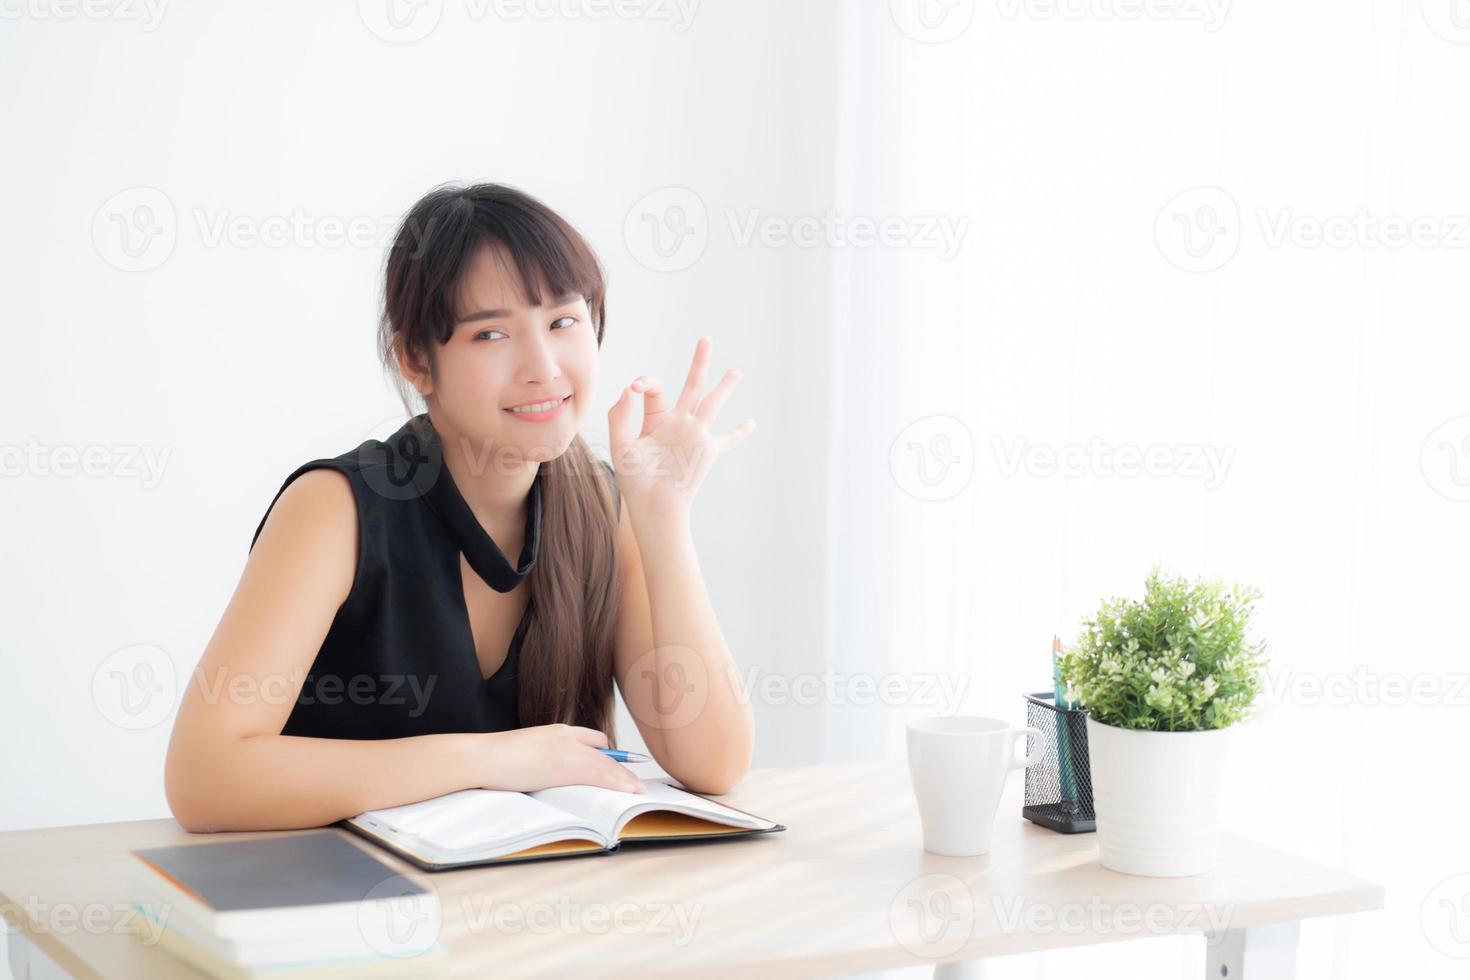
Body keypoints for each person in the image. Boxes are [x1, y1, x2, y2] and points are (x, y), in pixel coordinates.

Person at [164, 183, 757, 832]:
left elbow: (716, 762)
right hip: (346, 907)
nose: (542, 368)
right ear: (417, 360)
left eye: (563, 321)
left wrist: (664, 519)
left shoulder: (604, 507)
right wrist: (491, 759)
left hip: (540, 908)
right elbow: (204, 778)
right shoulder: (336, 510)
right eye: (491, 334)